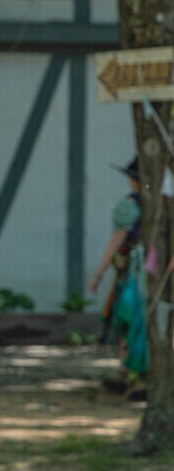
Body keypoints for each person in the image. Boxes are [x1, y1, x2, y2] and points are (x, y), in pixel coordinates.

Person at [89, 157, 148, 392]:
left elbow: (117, 240)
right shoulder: (164, 202)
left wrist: (99, 273)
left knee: (128, 318)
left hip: (137, 271)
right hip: (154, 268)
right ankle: (132, 374)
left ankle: (129, 372)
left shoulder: (131, 204)